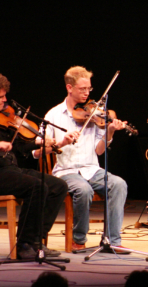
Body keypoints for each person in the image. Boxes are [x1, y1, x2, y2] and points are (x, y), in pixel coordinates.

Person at [0, 72, 68, 259]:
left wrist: (37, 143)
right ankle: (23, 244)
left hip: (9, 170)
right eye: (1, 97)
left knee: (58, 186)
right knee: (36, 186)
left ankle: (37, 242)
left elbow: (17, 147)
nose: (5, 100)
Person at [43, 66, 129, 253]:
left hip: (92, 169)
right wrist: (62, 142)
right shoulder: (54, 115)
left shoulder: (94, 113)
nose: (87, 93)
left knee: (119, 184)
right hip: (66, 171)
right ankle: (78, 239)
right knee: (83, 189)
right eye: (82, 89)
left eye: (89, 89)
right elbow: (40, 147)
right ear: (69, 88)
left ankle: (111, 240)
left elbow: (99, 151)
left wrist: (110, 131)